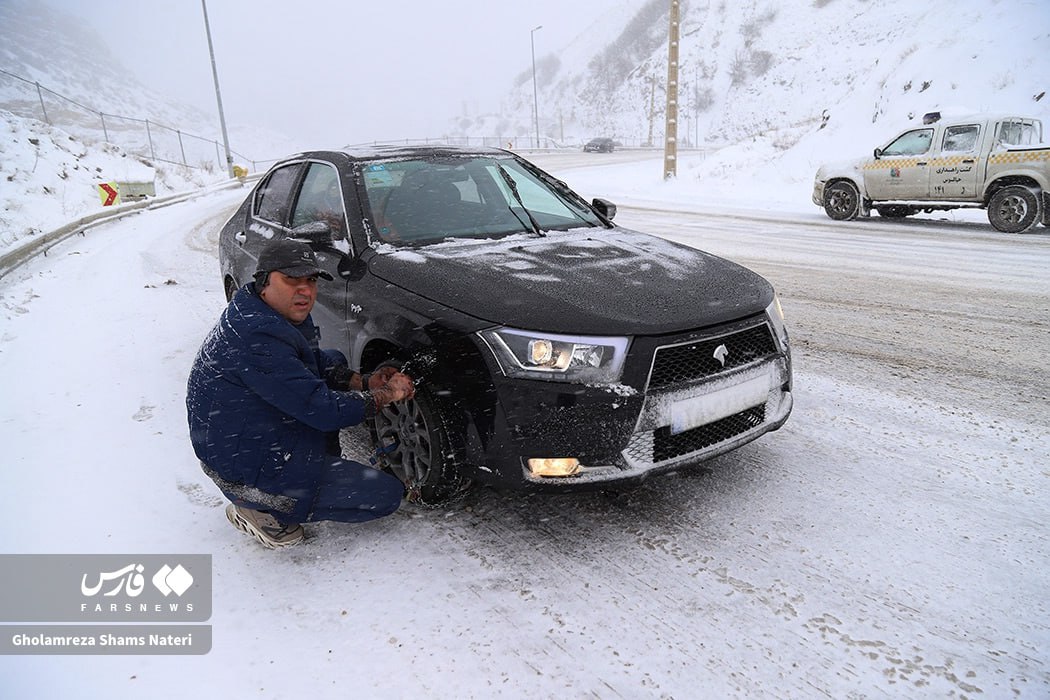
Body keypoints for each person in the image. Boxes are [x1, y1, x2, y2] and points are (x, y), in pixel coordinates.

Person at [186, 239, 415, 549]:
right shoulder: (258, 337)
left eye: (311, 280)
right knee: (385, 495)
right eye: (292, 279)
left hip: (248, 437)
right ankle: (258, 507)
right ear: (264, 281)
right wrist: (386, 394)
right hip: (244, 468)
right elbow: (324, 411)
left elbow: (310, 359)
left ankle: (309, 471)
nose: (305, 290)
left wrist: (362, 382)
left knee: (332, 358)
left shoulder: (263, 310)